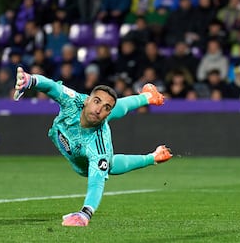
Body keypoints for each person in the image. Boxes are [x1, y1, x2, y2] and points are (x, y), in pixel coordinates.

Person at [13, 66, 172, 227]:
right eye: (96, 101)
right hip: (70, 133)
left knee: (107, 165)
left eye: (106, 109)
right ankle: (148, 97)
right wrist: (30, 80)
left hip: (83, 164)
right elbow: (51, 86)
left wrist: (85, 214)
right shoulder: (74, 101)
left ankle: (152, 157)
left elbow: (96, 183)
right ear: (87, 99)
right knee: (111, 106)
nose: (98, 109)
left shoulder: (98, 146)